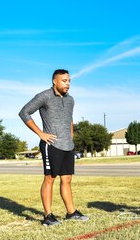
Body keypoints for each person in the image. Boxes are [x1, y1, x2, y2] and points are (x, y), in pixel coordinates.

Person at [19, 69, 89, 226]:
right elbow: (24, 112)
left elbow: (69, 118)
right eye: (64, 81)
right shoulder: (44, 96)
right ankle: (48, 216)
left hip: (67, 145)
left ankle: (71, 213)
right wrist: (41, 134)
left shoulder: (70, 100)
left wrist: (71, 137)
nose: (68, 84)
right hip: (51, 145)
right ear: (54, 81)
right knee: (50, 179)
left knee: (67, 179)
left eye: (69, 81)